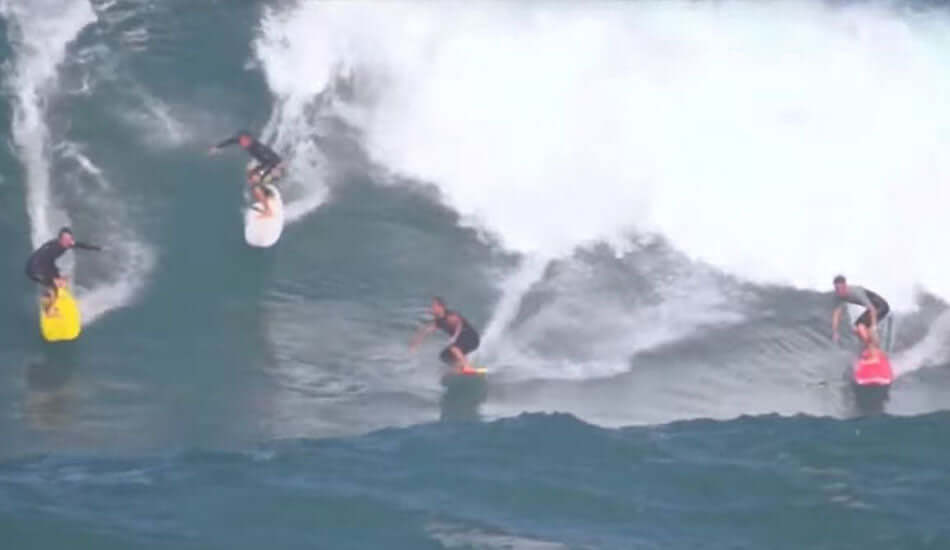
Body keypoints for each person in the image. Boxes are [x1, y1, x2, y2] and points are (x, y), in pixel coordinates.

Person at [208, 131, 284, 217]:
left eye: (243, 141)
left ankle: (268, 211)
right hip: (266, 164)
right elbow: (231, 141)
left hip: (276, 168)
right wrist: (217, 147)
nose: (242, 144)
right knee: (250, 173)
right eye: (240, 141)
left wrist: (260, 174)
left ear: (249, 139)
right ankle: (266, 193)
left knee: (255, 185)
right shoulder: (243, 141)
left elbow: (271, 162)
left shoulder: (258, 148)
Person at [25, 227, 101, 314]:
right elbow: (43, 264)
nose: (68, 241)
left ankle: (53, 295)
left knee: (60, 280)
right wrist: (55, 279)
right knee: (56, 285)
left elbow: (80, 245)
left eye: (70, 239)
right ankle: (48, 309)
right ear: (60, 239)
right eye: (65, 239)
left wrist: (96, 248)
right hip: (34, 269)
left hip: (47, 263)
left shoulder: (67, 243)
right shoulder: (54, 249)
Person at [410, 297, 481, 373]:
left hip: (471, 337)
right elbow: (426, 332)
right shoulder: (438, 321)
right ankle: (459, 367)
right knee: (444, 356)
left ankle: (467, 366)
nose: (432, 308)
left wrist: (455, 336)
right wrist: (415, 345)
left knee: (454, 348)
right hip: (463, 341)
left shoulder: (450, 316)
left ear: (441, 307)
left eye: (434, 306)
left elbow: (459, 323)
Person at [831, 275, 890, 354]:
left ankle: (876, 352)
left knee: (863, 327)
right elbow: (836, 314)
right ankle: (871, 349)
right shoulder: (839, 296)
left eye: (840, 288)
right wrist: (835, 332)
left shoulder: (856, 292)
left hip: (881, 306)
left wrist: (874, 327)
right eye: (836, 289)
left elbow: (872, 309)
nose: (838, 291)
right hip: (873, 308)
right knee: (856, 328)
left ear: (845, 286)